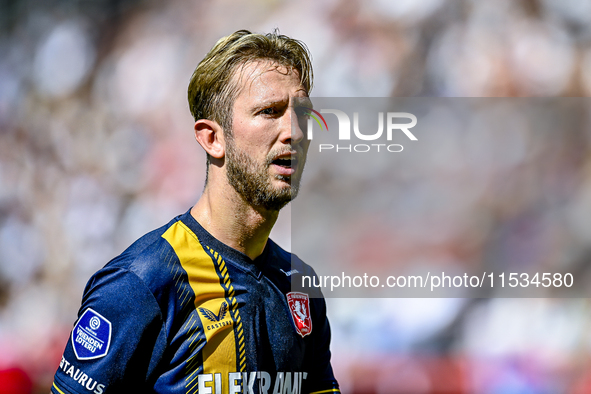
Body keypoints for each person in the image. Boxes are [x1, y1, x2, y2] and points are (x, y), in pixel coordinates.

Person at [50, 30, 340, 394]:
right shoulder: (141, 282)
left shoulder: (299, 283)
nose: (294, 131)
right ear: (212, 138)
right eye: (269, 112)